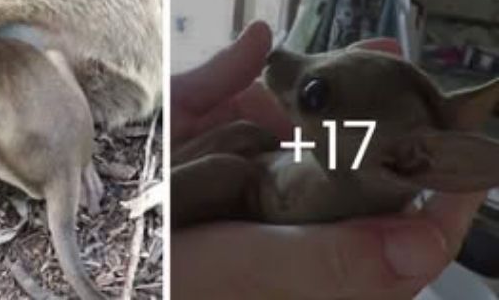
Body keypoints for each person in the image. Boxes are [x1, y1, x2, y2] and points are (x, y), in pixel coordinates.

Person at [172, 21, 486, 300]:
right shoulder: (377, 156)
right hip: (267, 160)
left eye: (315, 95)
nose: (280, 59)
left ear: (409, 161)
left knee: (228, 172)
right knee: (244, 136)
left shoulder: (368, 169)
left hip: (255, 190)